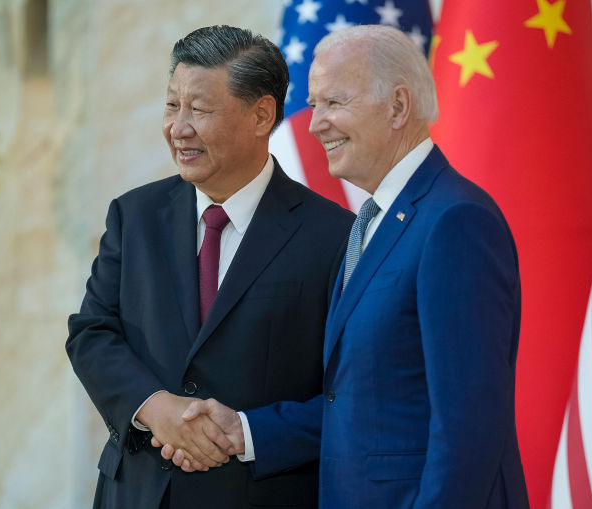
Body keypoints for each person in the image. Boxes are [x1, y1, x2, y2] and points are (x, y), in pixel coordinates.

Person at [164, 25, 530, 508]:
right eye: (314, 105)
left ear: (398, 107)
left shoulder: (454, 221)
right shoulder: (370, 222)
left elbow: (470, 426)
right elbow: (358, 400)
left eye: (333, 103)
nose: (314, 124)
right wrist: (246, 431)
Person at [65, 25, 354, 509]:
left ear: (261, 115)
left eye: (198, 109)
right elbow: (91, 333)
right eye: (172, 105)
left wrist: (245, 433)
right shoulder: (133, 216)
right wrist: (155, 409)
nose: (178, 127)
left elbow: (351, 394)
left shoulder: (334, 237)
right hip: (136, 494)